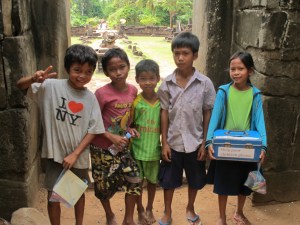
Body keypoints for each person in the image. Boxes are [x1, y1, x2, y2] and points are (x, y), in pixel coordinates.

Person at [16, 44, 105, 225]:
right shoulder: (50, 87)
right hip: (55, 155)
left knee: (78, 192)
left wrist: (75, 154)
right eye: (77, 70)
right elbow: (20, 86)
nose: (82, 76)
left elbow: (94, 129)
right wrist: (33, 78)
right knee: (53, 195)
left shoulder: (90, 98)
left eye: (88, 72)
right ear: (67, 68)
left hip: (77, 157)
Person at [157, 32, 216, 225]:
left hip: (195, 141)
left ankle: (190, 207)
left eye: (185, 53)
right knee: (168, 180)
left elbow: (207, 112)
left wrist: (205, 143)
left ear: (195, 55)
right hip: (173, 141)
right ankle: (167, 211)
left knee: (195, 179)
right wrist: (164, 142)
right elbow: (164, 112)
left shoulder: (205, 83)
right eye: (176, 53)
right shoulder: (166, 83)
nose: (180, 58)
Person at [205, 51, 267, 225]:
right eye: (233, 68)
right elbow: (214, 118)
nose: (236, 72)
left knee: (245, 184)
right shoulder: (223, 92)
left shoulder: (255, 94)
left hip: (248, 148)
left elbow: (260, 122)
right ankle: (222, 217)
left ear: (250, 71)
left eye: (240, 68)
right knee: (223, 184)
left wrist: (263, 147)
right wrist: (209, 141)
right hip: (225, 146)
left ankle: (239, 212)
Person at [90, 48, 142, 225]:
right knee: (102, 186)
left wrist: (131, 130)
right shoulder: (101, 94)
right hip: (102, 148)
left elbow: (130, 120)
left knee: (135, 179)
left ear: (129, 66)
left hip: (124, 147)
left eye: (122, 67)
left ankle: (128, 218)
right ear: (106, 72)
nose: (118, 72)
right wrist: (111, 137)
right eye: (113, 69)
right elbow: (92, 123)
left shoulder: (133, 91)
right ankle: (110, 214)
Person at [129, 59, 161, 225]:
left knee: (152, 182)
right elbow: (130, 124)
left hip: (154, 151)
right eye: (143, 79)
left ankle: (149, 207)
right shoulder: (136, 102)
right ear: (137, 80)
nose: (147, 82)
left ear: (158, 78)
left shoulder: (162, 102)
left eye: (151, 78)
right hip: (137, 150)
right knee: (138, 183)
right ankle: (140, 208)